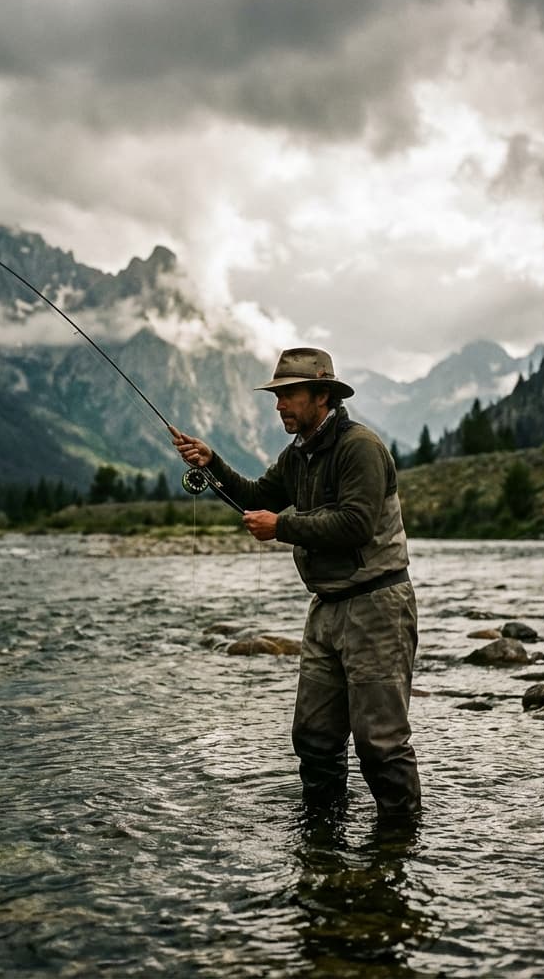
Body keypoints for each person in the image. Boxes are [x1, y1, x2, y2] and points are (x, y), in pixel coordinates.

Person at [171, 347, 421, 820]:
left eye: (289, 395)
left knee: (380, 743)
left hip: (377, 605)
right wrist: (211, 462)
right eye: (277, 395)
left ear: (322, 395)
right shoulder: (297, 456)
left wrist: (281, 527)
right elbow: (255, 497)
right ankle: (324, 837)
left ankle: (398, 846)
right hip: (327, 607)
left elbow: (357, 523)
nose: (280, 404)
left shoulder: (359, 448)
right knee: (313, 737)